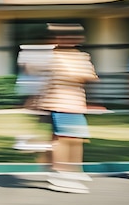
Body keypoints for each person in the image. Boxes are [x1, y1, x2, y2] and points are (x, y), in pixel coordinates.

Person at [36, 23, 99, 193]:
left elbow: (90, 76)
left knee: (76, 139)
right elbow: (76, 74)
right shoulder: (53, 56)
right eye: (63, 37)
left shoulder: (79, 55)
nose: (68, 40)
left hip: (76, 104)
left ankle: (73, 170)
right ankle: (60, 173)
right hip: (58, 103)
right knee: (63, 140)